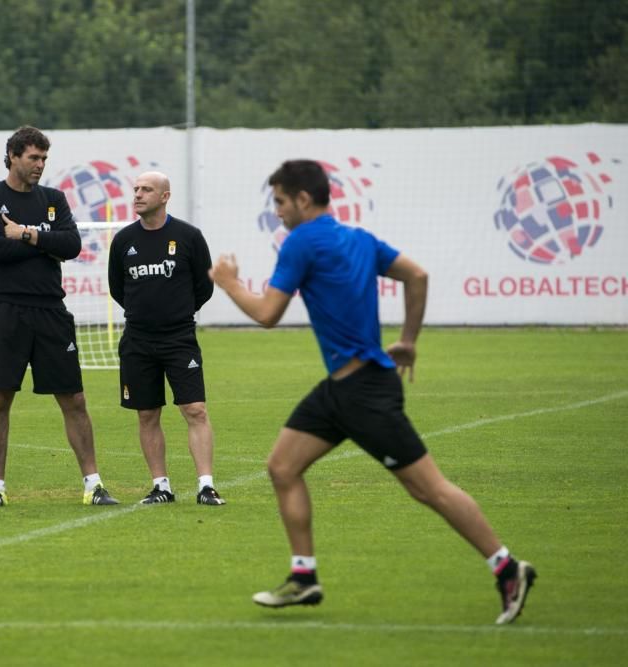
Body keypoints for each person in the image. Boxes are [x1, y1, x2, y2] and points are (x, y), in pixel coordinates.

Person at [208, 159, 535, 624]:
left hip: (363, 395)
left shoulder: (300, 241)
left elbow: (267, 314)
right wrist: (409, 341)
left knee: (430, 490)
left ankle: (507, 568)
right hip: (342, 390)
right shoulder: (360, 239)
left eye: (280, 202)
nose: (277, 212)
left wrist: (228, 283)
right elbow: (417, 276)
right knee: (282, 466)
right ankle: (304, 577)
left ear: (303, 199)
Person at [0, 125, 118, 508]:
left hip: (51, 310)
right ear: (14, 156)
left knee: (74, 399)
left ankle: (94, 485)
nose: (40, 165)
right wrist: (43, 244)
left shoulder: (54, 199)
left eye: (44, 159)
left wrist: (26, 235)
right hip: (5, 309)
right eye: (33, 158)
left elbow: (72, 246)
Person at [108, 171, 224, 506]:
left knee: (195, 409)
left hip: (179, 338)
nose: (138, 195)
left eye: (146, 189)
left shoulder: (188, 236)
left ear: (165, 196)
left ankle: (205, 485)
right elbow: (119, 288)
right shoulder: (123, 240)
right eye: (136, 189)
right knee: (147, 413)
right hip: (138, 340)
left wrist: (177, 312)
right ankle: (161, 486)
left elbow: (203, 287)